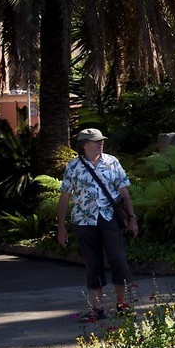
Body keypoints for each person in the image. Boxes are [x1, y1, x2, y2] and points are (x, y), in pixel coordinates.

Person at [55, 128, 139, 322]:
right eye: (96, 141)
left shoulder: (112, 162)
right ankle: (97, 308)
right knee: (93, 263)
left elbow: (124, 191)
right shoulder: (73, 167)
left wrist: (132, 218)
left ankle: (122, 305)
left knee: (118, 259)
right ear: (84, 145)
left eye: (101, 140)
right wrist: (61, 227)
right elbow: (65, 197)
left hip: (109, 218)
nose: (100, 143)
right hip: (83, 221)